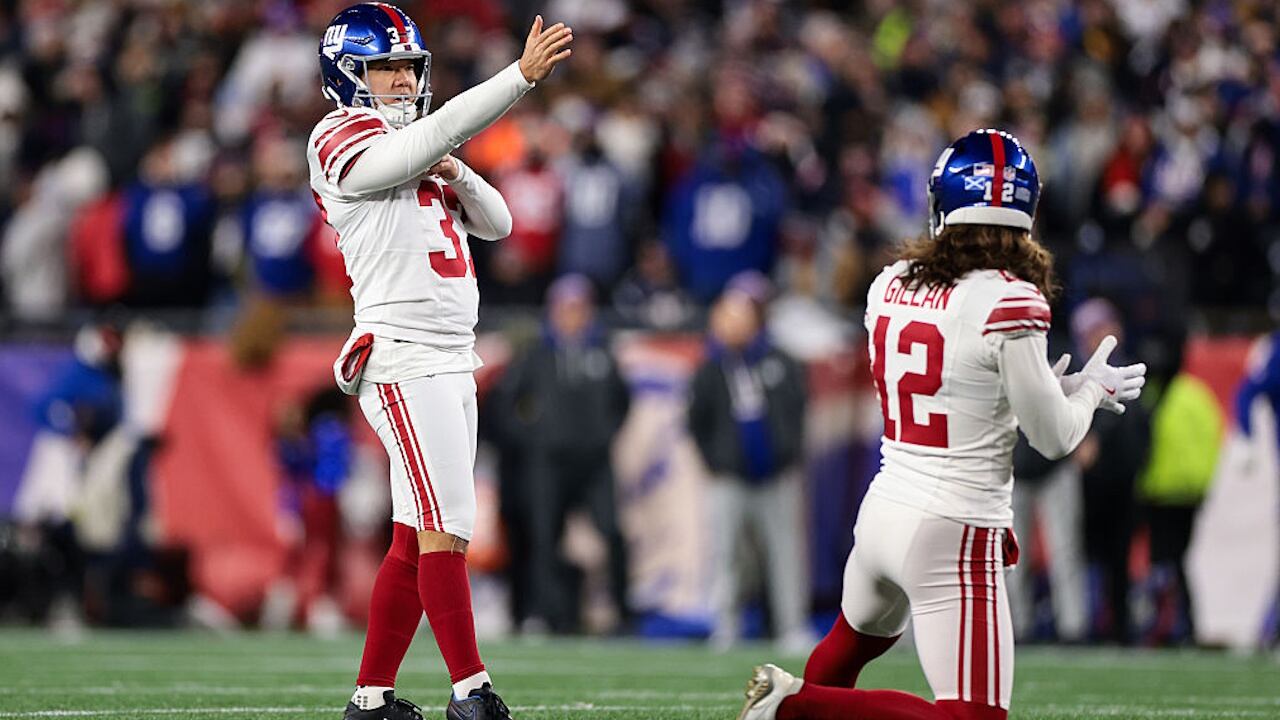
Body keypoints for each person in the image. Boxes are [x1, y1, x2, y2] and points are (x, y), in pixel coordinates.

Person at [736, 129, 1147, 720]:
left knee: (848, 648)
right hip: (953, 525)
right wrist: (1088, 392)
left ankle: (797, 701)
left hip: (885, 506)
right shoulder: (1011, 301)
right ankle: (793, 704)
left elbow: (959, 387)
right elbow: (1054, 437)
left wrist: (1047, 387)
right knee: (974, 716)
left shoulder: (892, 283)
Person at [306, 5, 572, 720]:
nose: (399, 80)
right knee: (447, 525)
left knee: (413, 532)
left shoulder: (421, 145)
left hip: (452, 357)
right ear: (347, 75)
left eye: (406, 66)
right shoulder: (336, 137)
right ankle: (470, 689)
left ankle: (371, 699)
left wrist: (454, 167)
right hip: (403, 356)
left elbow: (499, 222)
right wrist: (517, 78)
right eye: (384, 67)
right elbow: (438, 130)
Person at [490, 274, 632, 634]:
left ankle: (623, 611)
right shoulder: (536, 355)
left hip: (595, 462)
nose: (572, 316)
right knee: (543, 537)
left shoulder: (601, 352)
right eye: (566, 308)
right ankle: (549, 615)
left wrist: (605, 433)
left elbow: (622, 400)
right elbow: (504, 404)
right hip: (549, 461)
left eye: (579, 308)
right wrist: (533, 437)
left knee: (612, 531)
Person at [687, 271, 812, 651]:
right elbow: (697, 421)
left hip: (776, 474)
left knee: (786, 554)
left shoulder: (780, 361)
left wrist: (787, 453)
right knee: (725, 553)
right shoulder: (710, 368)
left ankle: (791, 626)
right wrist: (716, 461)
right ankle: (725, 625)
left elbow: (797, 411)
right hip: (729, 476)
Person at [1070, 299, 1150, 644]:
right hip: (1094, 480)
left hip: (1120, 476)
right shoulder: (1080, 371)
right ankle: (1095, 624)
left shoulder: (1125, 367)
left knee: (1117, 556)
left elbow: (1131, 419)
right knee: (1090, 554)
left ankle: (1117, 625)